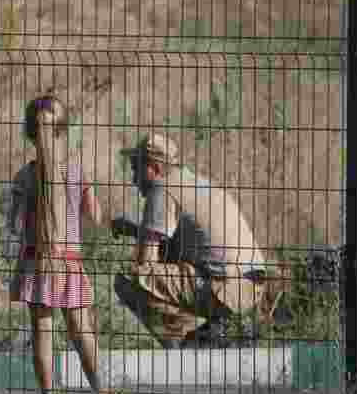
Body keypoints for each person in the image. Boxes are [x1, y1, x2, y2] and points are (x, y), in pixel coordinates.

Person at [111, 133, 273, 348]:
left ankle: (186, 347)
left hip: (224, 289)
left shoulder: (162, 188)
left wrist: (140, 238)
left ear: (154, 168)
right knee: (165, 261)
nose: (134, 179)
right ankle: (213, 333)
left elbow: (144, 263)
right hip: (251, 287)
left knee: (130, 277)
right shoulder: (196, 182)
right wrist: (137, 230)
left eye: (136, 169)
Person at [5, 94, 114, 394]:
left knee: (43, 331)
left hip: (36, 262)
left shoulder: (24, 176)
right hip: (68, 261)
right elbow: (95, 216)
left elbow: (13, 224)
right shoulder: (75, 171)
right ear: (61, 130)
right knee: (81, 330)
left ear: (30, 132)